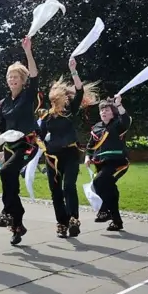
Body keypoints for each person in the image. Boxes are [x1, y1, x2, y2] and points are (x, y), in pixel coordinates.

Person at [0, 37, 39, 245]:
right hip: (9, 145)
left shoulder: (28, 95)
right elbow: (0, 126)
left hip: (27, 144)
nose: (12, 79)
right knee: (10, 182)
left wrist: (28, 51)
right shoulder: (3, 103)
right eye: (9, 76)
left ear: (22, 80)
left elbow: (35, 75)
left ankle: (7, 211)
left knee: (6, 171)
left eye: (16, 76)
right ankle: (17, 225)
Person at [39, 57, 99, 238]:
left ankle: (73, 219)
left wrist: (74, 71)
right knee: (55, 191)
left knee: (69, 186)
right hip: (51, 157)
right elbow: (38, 137)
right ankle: (61, 223)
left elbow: (79, 90)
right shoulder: (46, 117)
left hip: (71, 154)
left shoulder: (71, 111)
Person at [84, 95, 131, 231]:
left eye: (107, 110)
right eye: (102, 110)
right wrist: (87, 157)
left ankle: (105, 210)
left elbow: (126, 121)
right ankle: (116, 221)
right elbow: (90, 145)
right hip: (101, 163)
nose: (104, 112)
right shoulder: (97, 127)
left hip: (117, 162)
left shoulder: (118, 124)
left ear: (113, 112)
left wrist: (119, 104)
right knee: (110, 190)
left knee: (98, 182)